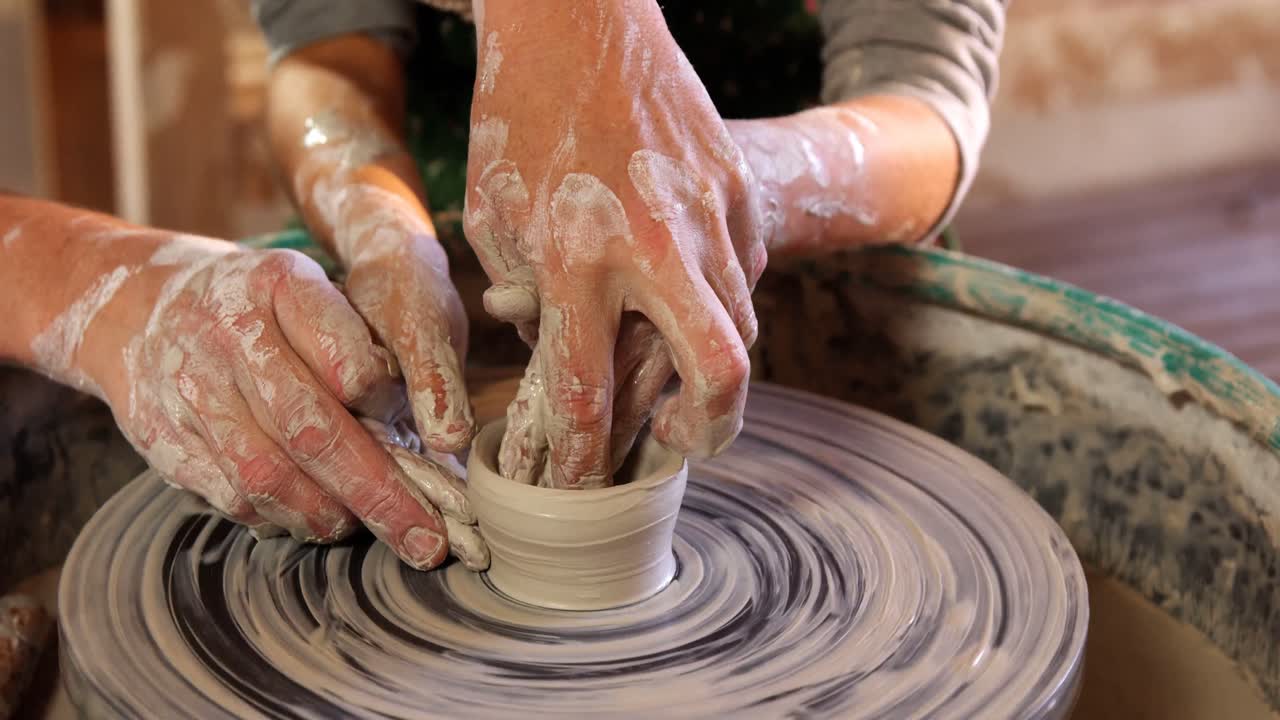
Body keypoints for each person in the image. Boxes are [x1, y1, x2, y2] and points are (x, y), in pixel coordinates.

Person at [0, 0, 1004, 570]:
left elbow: (925, 99)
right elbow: (328, 56)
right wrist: (380, 226)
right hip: (469, 199)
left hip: (793, 231)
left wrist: (725, 189)